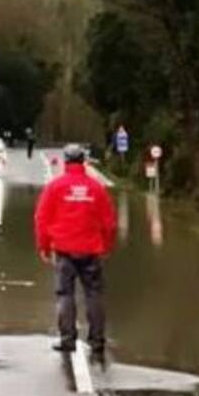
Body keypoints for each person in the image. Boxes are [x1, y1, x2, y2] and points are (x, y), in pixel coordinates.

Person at [34, 144, 116, 354]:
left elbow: (42, 219)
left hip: (64, 251)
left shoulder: (55, 187)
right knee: (94, 294)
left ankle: (68, 339)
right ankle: (97, 341)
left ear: (65, 162)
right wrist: (106, 246)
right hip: (91, 250)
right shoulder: (96, 188)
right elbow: (109, 222)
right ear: (83, 162)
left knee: (65, 295)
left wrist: (44, 246)